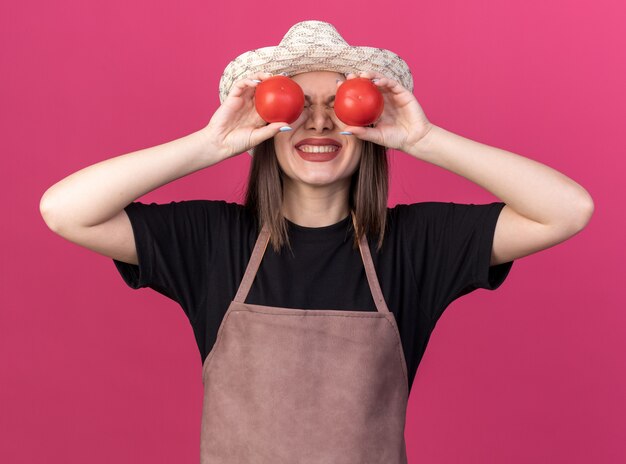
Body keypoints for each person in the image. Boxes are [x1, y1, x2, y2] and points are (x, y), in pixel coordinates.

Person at [40, 20, 593, 464]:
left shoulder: (414, 246)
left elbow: (568, 210)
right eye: (296, 105)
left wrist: (425, 139)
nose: (320, 124)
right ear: (267, 123)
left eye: (340, 104)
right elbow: (65, 211)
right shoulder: (212, 241)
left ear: (369, 122)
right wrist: (210, 144)